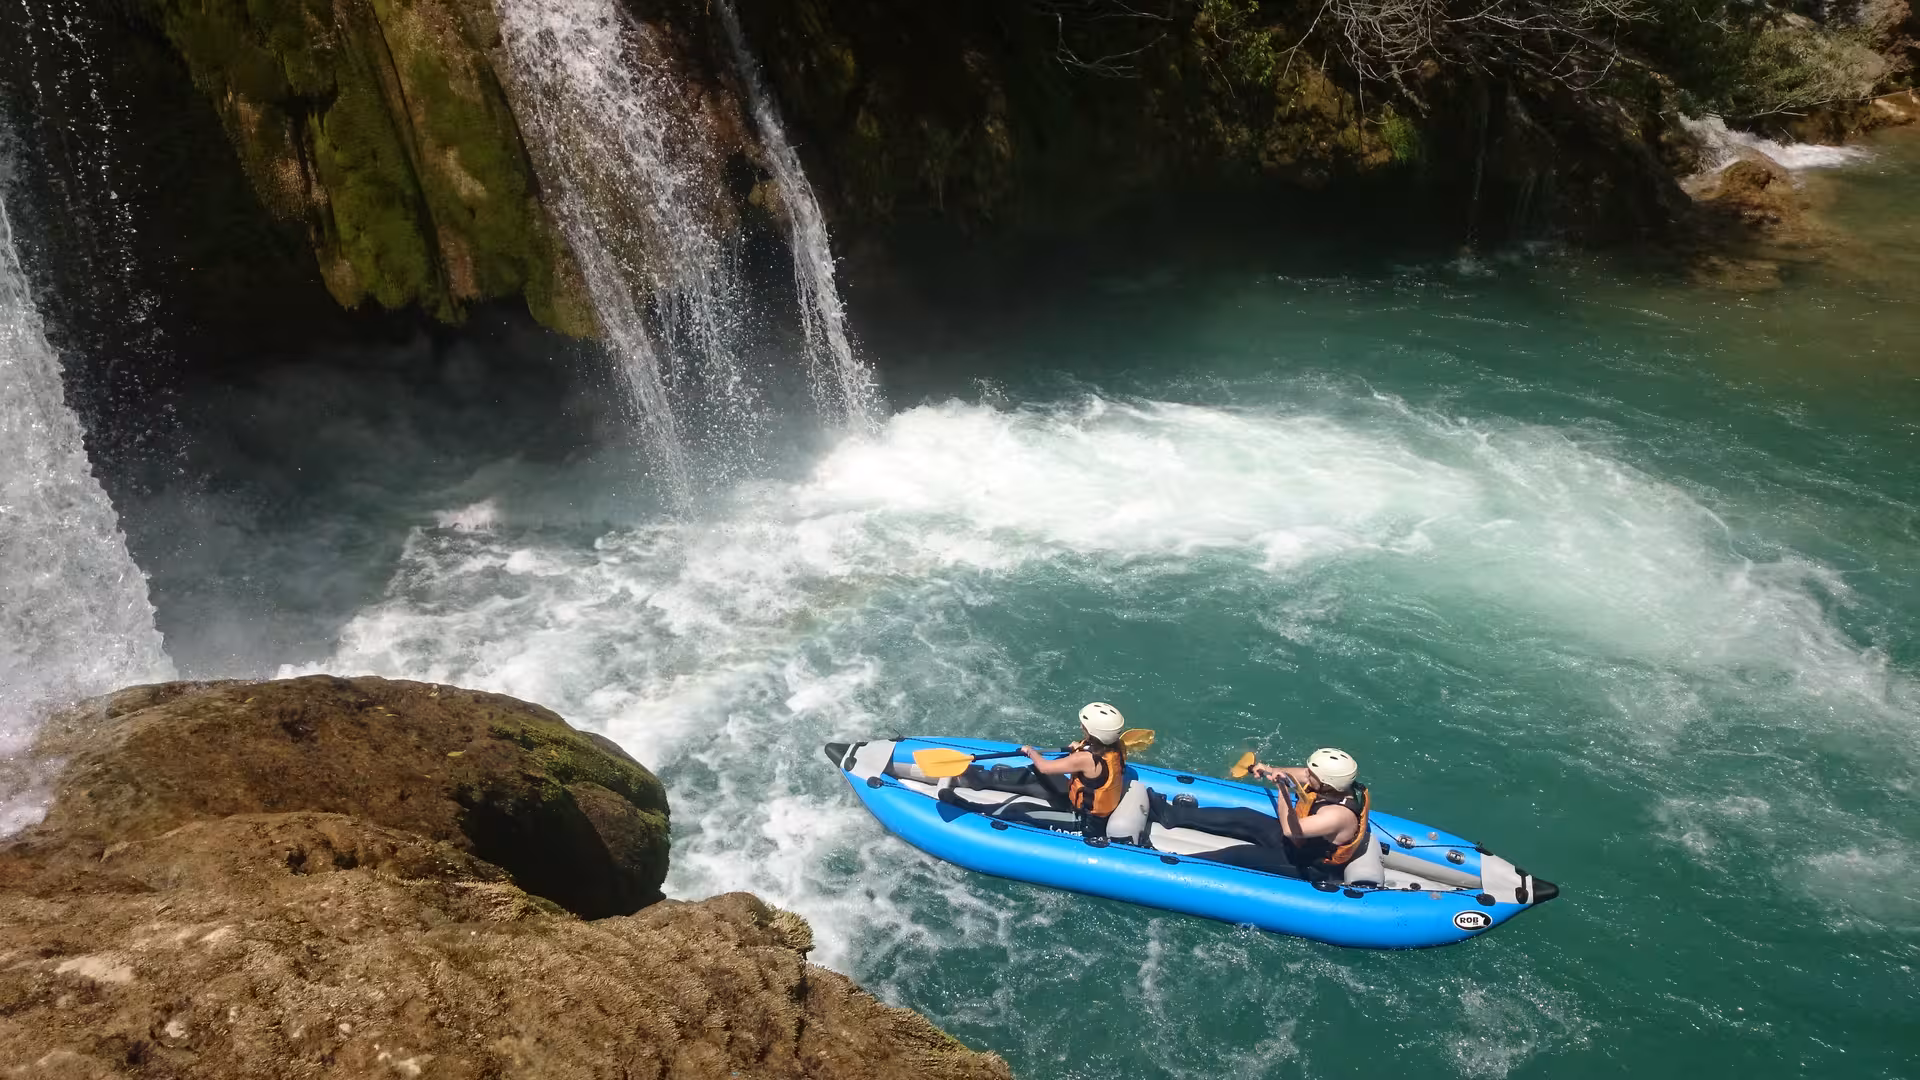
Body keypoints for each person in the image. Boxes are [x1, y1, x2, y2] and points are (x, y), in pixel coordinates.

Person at [1148, 747, 1370, 879]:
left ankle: (1167, 864)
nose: (1307, 774)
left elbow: (1291, 829)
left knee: (1238, 855)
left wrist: (1282, 790)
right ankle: (1171, 815)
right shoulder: (1334, 784)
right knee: (1243, 816)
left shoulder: (1337, 816)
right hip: (1298, 844)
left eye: (1312, 775)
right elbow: (1301, 774)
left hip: (1306, 863)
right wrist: (1271, 770)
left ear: (1326, 783)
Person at [942, 702, 1129, 838]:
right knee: (1034, 773)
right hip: (1077, 803)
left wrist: (1030, 751)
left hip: (1085, 823)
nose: (1081, 726)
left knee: (1021, 809)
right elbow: (1091, 751)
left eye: (1084, 725)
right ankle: (978, 779)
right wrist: (1079, 746)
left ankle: (969, 808)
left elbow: (1045, 767)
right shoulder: (1118, 747)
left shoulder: (1085, 759)